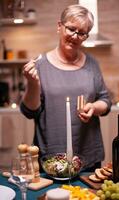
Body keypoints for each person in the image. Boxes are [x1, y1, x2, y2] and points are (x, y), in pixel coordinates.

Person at [20, 4, 112, 171]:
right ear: (59, 26)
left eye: (82, 33)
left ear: (86, 36)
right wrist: (33, 84)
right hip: (51, 159)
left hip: (88, 157)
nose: (75, 36)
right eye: (71, 29)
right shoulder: (41, 65)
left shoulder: (92, 64)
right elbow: (29, 112)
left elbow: (105, 101)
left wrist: (94, 107)